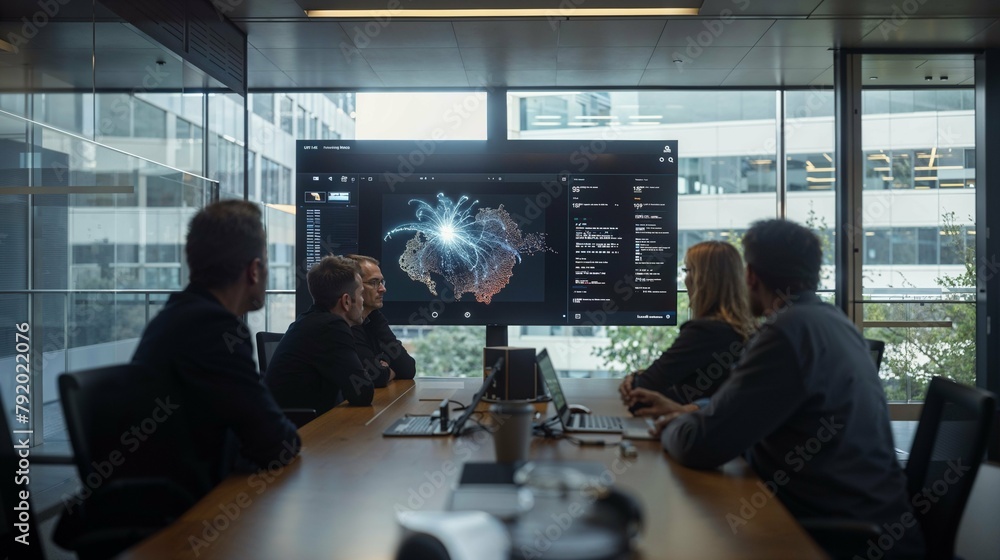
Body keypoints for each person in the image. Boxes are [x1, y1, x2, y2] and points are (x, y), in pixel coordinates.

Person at [628, 219, 925, 559]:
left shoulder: (786, 334)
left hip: (838, 539)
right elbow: (749, 401)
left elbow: (700, 446)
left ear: (751, 276)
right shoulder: (832, 321)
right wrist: (688, 410)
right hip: (870, 523)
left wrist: (672, 425)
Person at [131, 199, 301, 494]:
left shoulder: (176, 316)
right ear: (255, 270)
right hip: (184, 518)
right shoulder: (214, 329)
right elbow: (277, 443)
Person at [618, 241, 756, 408]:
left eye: (687, 270)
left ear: (702, 279)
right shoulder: (748, 329)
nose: (684, 279)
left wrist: (636, 380)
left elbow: (641, 391)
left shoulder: (705, 331)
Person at [264, 255, 380, 413]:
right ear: (346, 301)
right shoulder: (331, 327)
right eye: (360, 294)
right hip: (302, 429)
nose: (362, 301)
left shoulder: (311, 321)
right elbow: (363, 393)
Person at [346, 254, 416, 382]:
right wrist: (386, 369)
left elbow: (407, 368)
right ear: (354, 287)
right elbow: (374, 376)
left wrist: (381, 367)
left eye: (381, 282)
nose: (383, 289)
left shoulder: (373, 316)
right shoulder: (347, 322)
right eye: (374, 282)